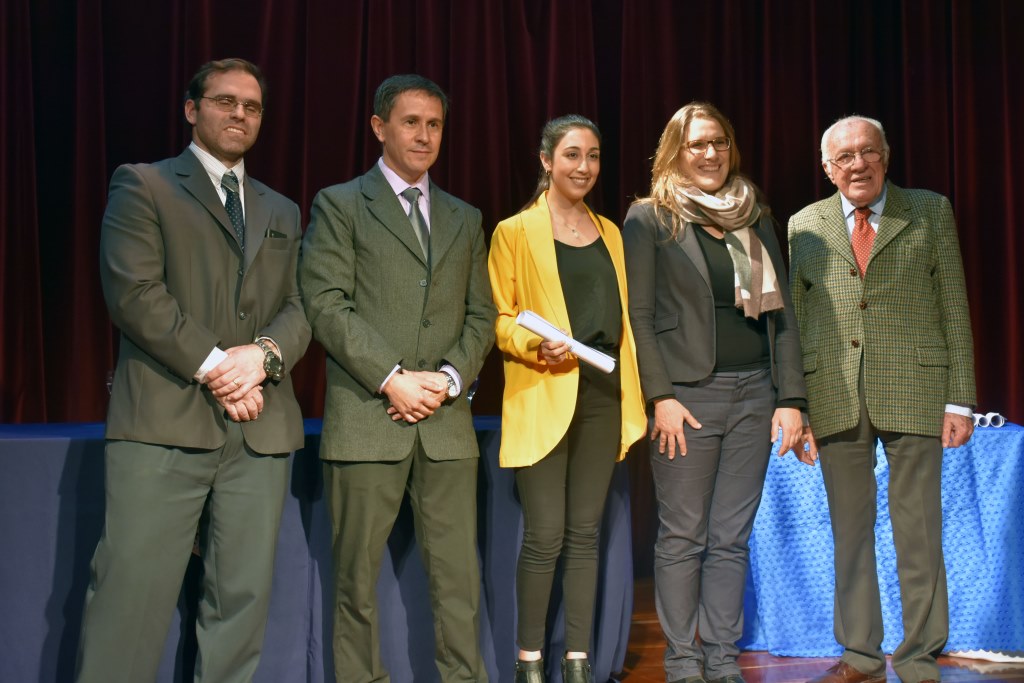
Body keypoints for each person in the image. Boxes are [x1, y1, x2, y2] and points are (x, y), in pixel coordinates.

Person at [76, 58, 310, 682]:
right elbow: (134, 294)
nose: (240, 114)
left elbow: (301, 305)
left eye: (253, 106)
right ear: (191, 109)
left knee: (240, 605)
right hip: (163, 422)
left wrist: (260, 358)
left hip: (258, 433)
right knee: (131, 599)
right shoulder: (144, 185)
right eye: (226, 101)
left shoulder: (281, 209)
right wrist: (219, 368)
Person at [299, 74, 496, 683]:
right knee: (356, 582)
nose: (424, 135)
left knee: (459, 581)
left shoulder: (465, 217)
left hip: (446, 422)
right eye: (411, 122)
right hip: (368, 418)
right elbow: (326, 301)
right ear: (380, 127)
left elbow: (482, 314)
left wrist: (448, 377)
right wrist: (392, 379)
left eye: (434, 124)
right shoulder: (339, 204)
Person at [622, 102, 808, 683]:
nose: (710, 154)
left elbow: (784, 320)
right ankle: (682, 661)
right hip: (688, 398)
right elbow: (641, 315)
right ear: (675, 151)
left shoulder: (754, 214)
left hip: (757, 395)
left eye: (720, 143)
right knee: (683, 535)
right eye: (698, 144)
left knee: (731, 537)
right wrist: (660, 396)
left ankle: (723, 658)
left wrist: (792, 399)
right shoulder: (649, 219)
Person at [790, 115, 976, 683]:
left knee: (918, 529)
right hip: (834, 393)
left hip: (918, 389)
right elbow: (796, 322)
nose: (857, 164)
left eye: (867, 152)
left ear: (886, 157)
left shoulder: (929, 210)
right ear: (827, 168)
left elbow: (954, 306)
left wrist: (960, 399)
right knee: (849, 532)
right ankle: (861, 656)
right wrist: (797, 406)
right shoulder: (805, 225)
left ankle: (920, 656)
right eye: (843, 157)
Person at [487, 115, 647, 683]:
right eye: (573, 155)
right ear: (546, 160)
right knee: (546, 533)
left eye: (594, 156)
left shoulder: (611, 231)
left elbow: (626, 321)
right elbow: (498, 319)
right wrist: (535, 346)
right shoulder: (514, 231)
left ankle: (577, 659)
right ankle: (529, 661)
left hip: (603, 391)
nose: (584, 167)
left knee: (586, 533)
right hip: (543, 389)